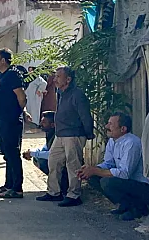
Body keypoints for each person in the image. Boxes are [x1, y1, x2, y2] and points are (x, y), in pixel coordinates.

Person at [36, 66, 94, 207]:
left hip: (74, 134)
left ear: (68, 79)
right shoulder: (61, 93)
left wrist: (88, 133)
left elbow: (85, 115)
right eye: (55, 76)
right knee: (53, 161)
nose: (55, 79)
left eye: (58, 77)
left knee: (73, 165)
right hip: (61, 134)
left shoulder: (77, 94)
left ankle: (74, 195)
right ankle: (54, 192)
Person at [78, 113, 149, 221]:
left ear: (123, 129)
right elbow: (108, 163)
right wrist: (90, 169)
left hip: (141, 185)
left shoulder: (132, 143)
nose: (106, 126)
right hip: (127, 182)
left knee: (107, 182)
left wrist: (95, 170)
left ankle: (138, 208)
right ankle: (125, 205)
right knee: (93, 177)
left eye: (111, 124)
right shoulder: (113, 140)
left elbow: (124, 173)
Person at [0, 48, 27, 199]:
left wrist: (18, 112)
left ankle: (17, 188)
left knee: (13, 154)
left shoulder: (12, 75)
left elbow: (21, 97)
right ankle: (8, 184)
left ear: (3, 60)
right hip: (3, 119)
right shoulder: (4, 75)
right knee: (7, 154)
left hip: (11, 121)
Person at [22, 111, 69, 196]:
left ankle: (61, 186)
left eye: (44, 122)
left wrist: (33, 153)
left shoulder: (58, 136)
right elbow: (44, 148)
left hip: (64, 166)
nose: (41, 124)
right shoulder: (49, 133)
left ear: (53, 125)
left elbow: (52, 154)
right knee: (37, 158)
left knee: (42, 160)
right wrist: (31, 152)